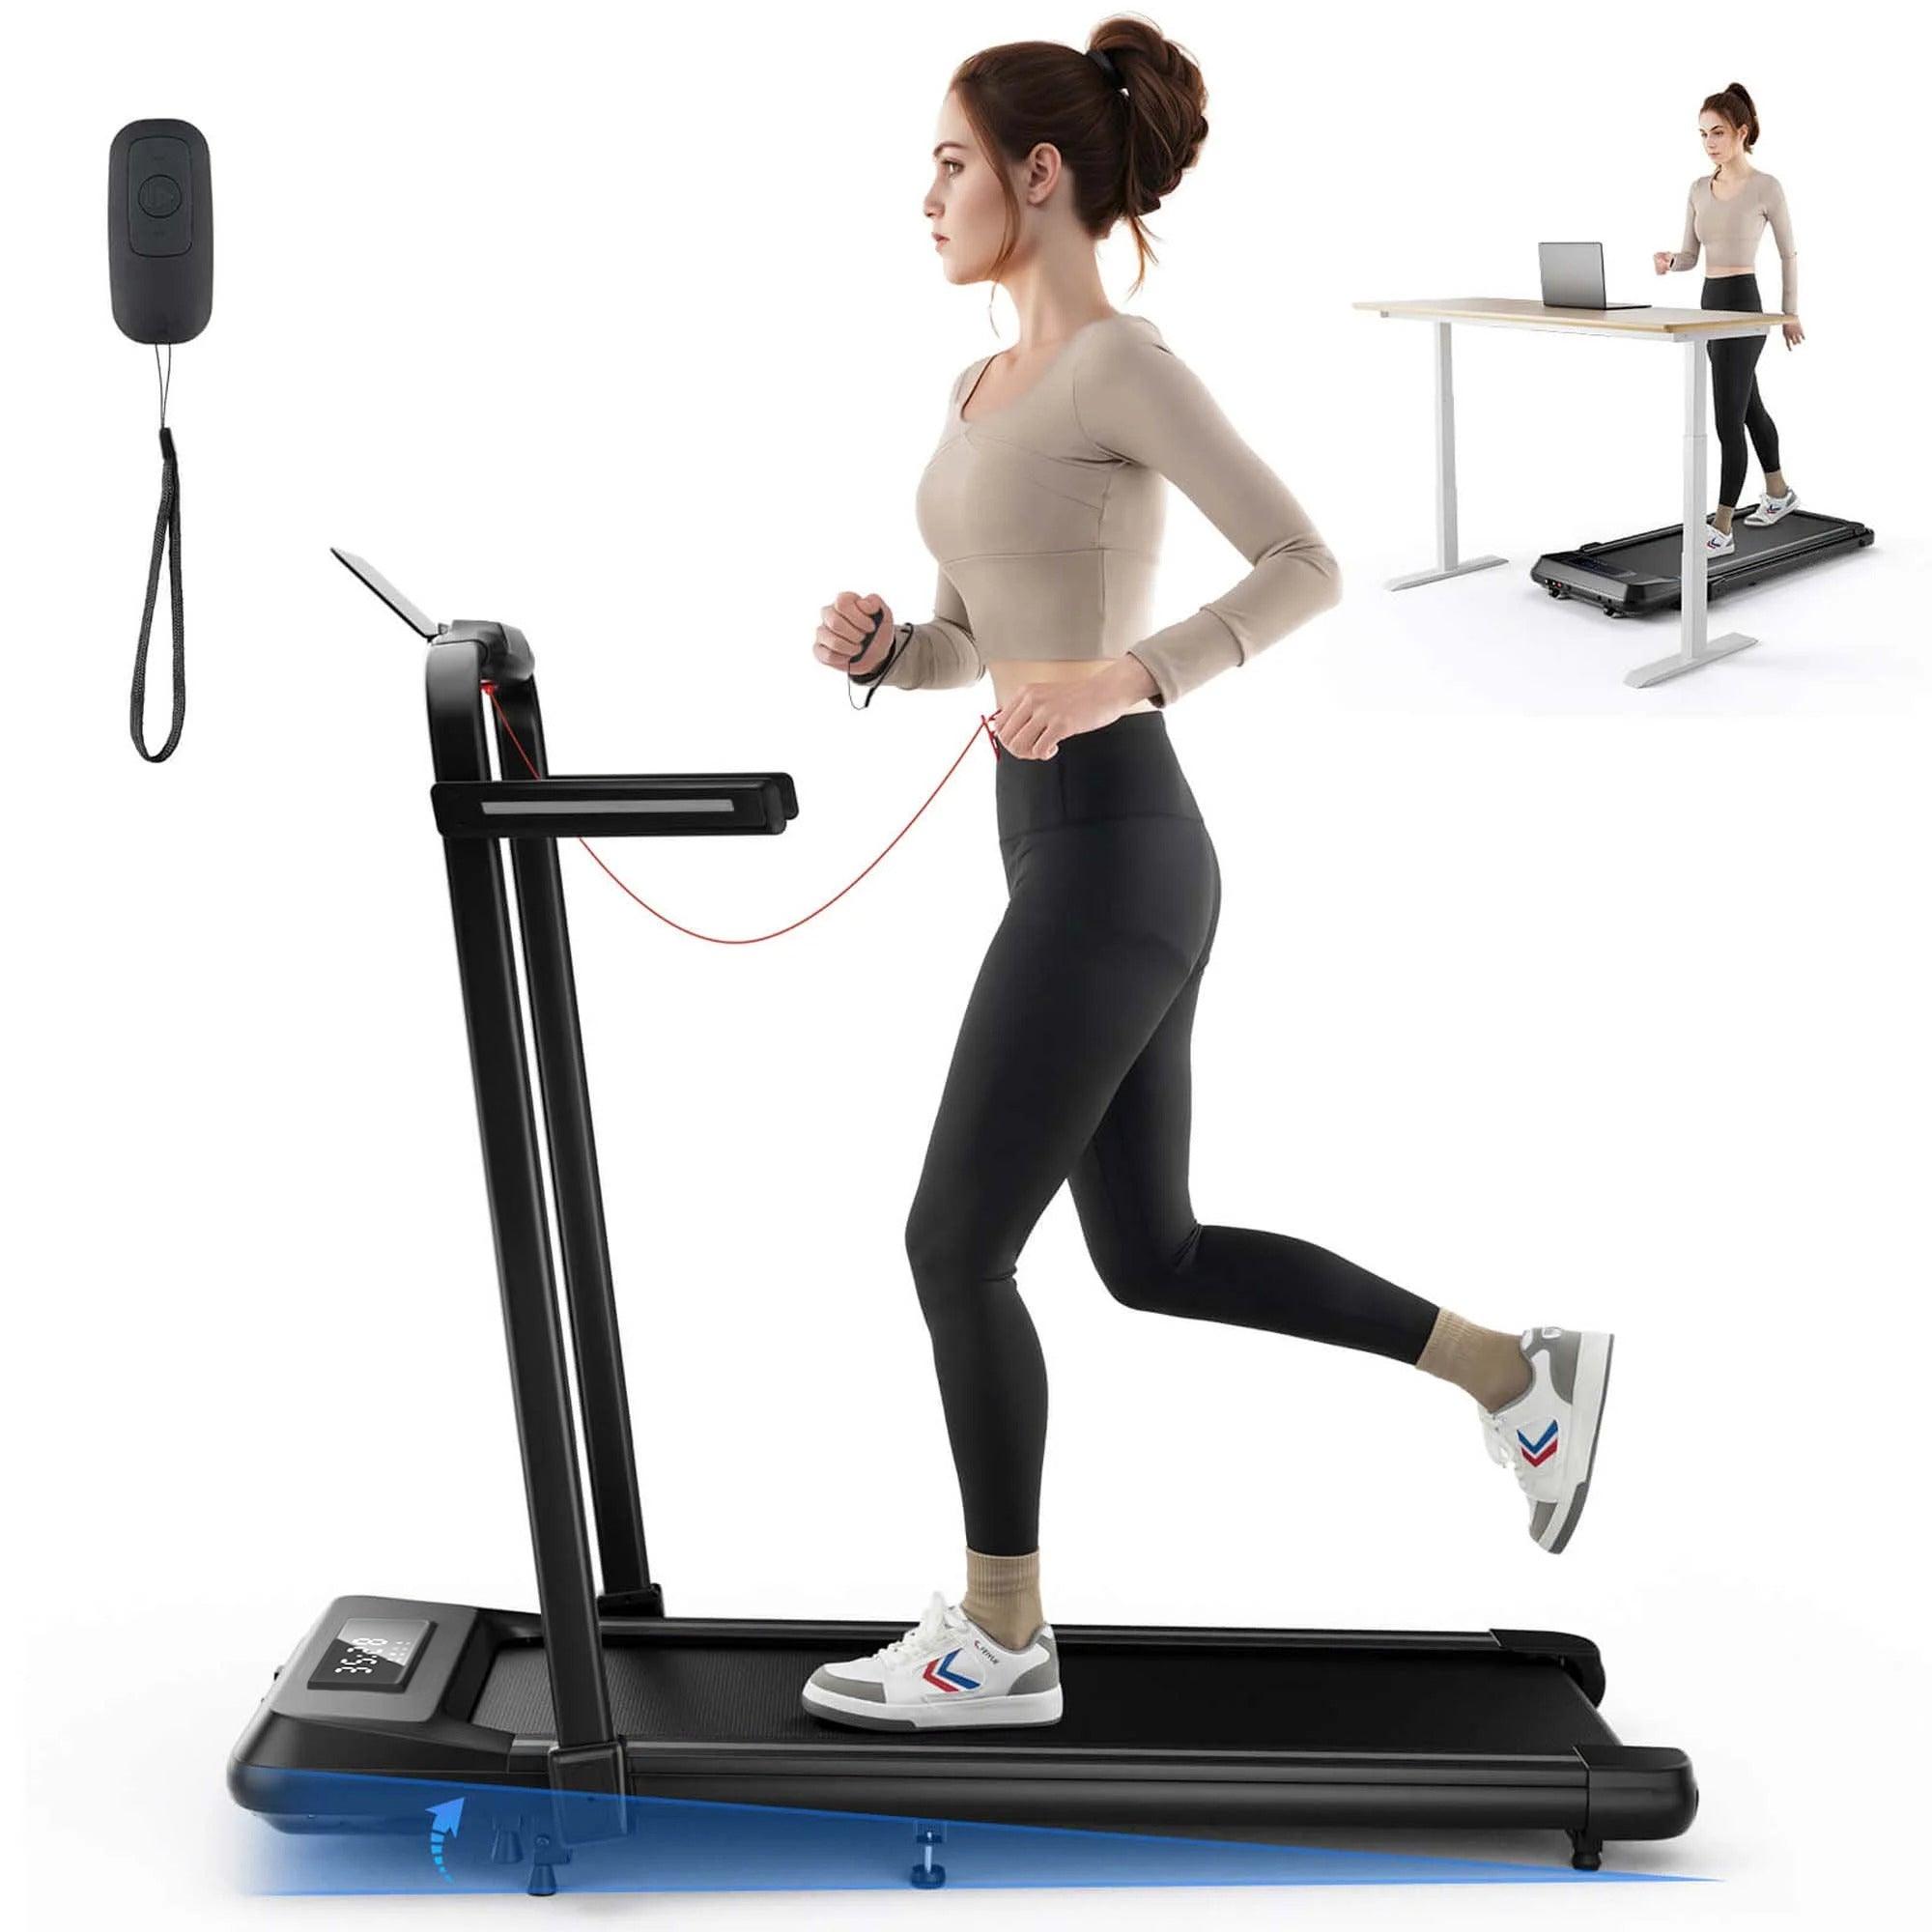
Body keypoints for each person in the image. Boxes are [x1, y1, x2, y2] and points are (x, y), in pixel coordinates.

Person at [801, 17, 1611, 1734]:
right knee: (1149, 1258)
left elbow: (1304, 562)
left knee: (955, 1245)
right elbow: (985, 644)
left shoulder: (1122, 363)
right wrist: (897, 652)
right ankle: (1514, 1376)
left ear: (1039, 177)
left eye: (951, 161)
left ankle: (1001, 1642)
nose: (925, 193)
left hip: (1120, 854)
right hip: (1066, 857)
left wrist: (1127, 676)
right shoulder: (977, 388)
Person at [1654, 82, 1804, 556]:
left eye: (1718, 132)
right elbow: (1691, 256)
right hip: (1709, 306)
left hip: (1744, 304)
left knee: (1725, 420)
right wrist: (1669, 262)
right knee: (1747, 406)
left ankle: (1721, 526)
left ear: (1742, 131)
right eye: (1702, 134)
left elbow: (1788, 253)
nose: (1709, 143)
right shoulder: (1698, 189)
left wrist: (1789, 313)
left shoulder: (1766, 187)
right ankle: (1778, 492)